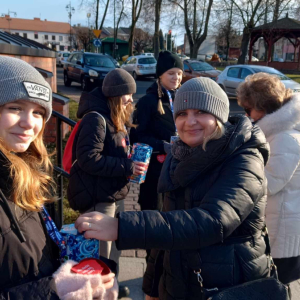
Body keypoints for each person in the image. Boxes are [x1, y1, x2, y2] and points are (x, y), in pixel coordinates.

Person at [75, 77, 271, 300]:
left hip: (228, 285)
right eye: (182, 114)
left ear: (219, 115)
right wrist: (151, 286)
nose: (190, 121)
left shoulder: (244, 158)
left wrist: (123, 227)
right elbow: (167, 223)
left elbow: (213, 221)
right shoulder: (178, 154)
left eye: (200, 112)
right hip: (180, 283)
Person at [0, 56, 115, 299]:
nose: (29, 123)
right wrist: (54, 290)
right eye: (15, 108)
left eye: (38, 113)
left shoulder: (23, 172)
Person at [67, 68, 145, 298]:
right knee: (100, 256)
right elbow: (88, 158)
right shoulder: (96, 118)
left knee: (112, 249)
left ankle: (114, 287)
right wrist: (128, 167)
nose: (132, 99)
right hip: (97, 198)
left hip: (112, 193)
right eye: (127, 94)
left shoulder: (113, 117)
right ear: (115, 95)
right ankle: (100, 293)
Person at [237, 72, 300, 287]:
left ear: (264, 106)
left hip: (281, 229)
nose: (247, 115)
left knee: (275, 287)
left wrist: (237, 168)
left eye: (249, 109)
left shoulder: (284, 138)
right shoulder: (276, 132)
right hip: (276, 221)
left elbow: (269, 183)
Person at [131, 50, 183, 212]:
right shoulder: (148, 101)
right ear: (160, 75)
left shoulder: (182, 99)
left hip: (178, 167)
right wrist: (162, 145)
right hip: (155, 170)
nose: (176, 78)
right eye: (171, 73)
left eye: (179, 73)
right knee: (153, 213)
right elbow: (137, 136)